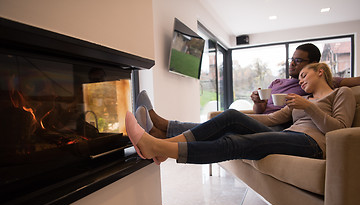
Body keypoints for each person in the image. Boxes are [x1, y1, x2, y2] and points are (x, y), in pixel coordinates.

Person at [126, 63, 356, 165]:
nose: (301, 80)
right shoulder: (302, 100)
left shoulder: (341, 93)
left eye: (305, 75)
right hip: (288, 136)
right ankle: (162, 144)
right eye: (300, 78)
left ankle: (159, 145)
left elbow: (340, 131)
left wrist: (310, 108)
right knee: (230, 117)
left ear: (320, 71)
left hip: (313, 144)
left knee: (235, 142)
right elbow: (270, 120)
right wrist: (233, 120)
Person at [136, 43, 360, 138]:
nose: (292, 64)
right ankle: (163, 131)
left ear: (316, 66)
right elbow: (260, 109)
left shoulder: (317, 84)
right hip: (265, 116)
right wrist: (258, 101)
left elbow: (345, 85)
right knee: (226, 119)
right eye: (291, 60)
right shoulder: (280, 81)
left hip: (280, 122)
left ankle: (165, 128)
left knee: (228, 120)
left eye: (298, 61)